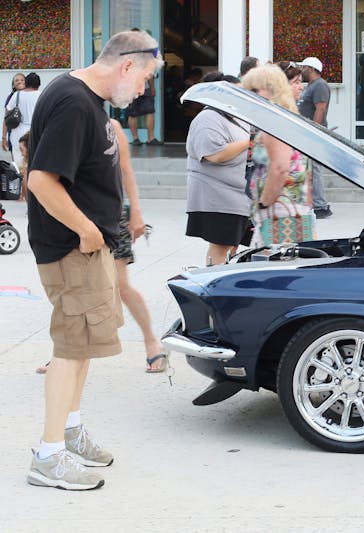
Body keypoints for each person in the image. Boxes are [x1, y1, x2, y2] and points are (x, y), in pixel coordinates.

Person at [25, 30, 162, 491]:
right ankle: (49, 457)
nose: (144, 90)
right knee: (70, 350)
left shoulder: (84, 98)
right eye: (145, 78)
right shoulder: (73, 102)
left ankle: (69, 430)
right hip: (72, 249)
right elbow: (41, 180)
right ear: (127, 65)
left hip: (89, 247)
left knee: (81, 347)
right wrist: (86, 230)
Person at [36, 120, 167, 375]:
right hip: (72, 218)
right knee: (70, 290)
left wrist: (136, 213)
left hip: (109, 218)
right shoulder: (66, 122)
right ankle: (65, 352)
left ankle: (152, 341)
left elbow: (126, 171)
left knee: (120, 286)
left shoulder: (111, 126)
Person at [242, 65, 315, 245]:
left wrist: (264, 203)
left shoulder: (275, 123)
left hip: (280, 211)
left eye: (254, 90)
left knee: (274, 260)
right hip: (291, 209)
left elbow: (280, 168)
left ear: (272, 90)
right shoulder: (289, 119)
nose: (249, 95)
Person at [185, 72, 251, 266]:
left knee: (231, 247)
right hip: (218, 196)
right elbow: (215, 154)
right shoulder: (208, 118)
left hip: (237, 196)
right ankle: (213, 280)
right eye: (236, 92)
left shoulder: (233, 116)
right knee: (221, 248)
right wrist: (250, 142)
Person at [297, 57, 332, 219]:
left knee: (314, 169)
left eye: (303, 67)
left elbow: (321, 108)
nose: (301, 71)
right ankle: (312, 202)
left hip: (313, 134)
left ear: (311, 69)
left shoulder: (320, 85)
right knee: (308, 169)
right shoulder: (311, 85)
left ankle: (320, 206)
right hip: (305, 133)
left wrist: (314, 130)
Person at [5, 72, 40, 164]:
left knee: (19, 165)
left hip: (17, 134)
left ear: (26, 83)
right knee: (34, 164)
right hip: (35, 134)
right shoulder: (42, 95)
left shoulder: (17, 95)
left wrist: (4, 136)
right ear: (38, 85)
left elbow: (7, 115)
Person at [127, 78, 161, 145]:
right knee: (149, 112)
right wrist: (152, 87)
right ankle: (150, 138)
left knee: (133, 113)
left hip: (131, 88)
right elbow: (150, 75)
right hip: (142, 88)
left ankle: (136, 138)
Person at [2, 72, 25, 158]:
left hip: (27, 131)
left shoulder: (32, 95)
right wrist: (4, 137)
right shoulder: (10, 97)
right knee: (15, 158)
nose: (20, 82)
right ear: (13, 84)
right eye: (17, 80)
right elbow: (6, 117)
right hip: (13, 130)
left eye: (22, 80)